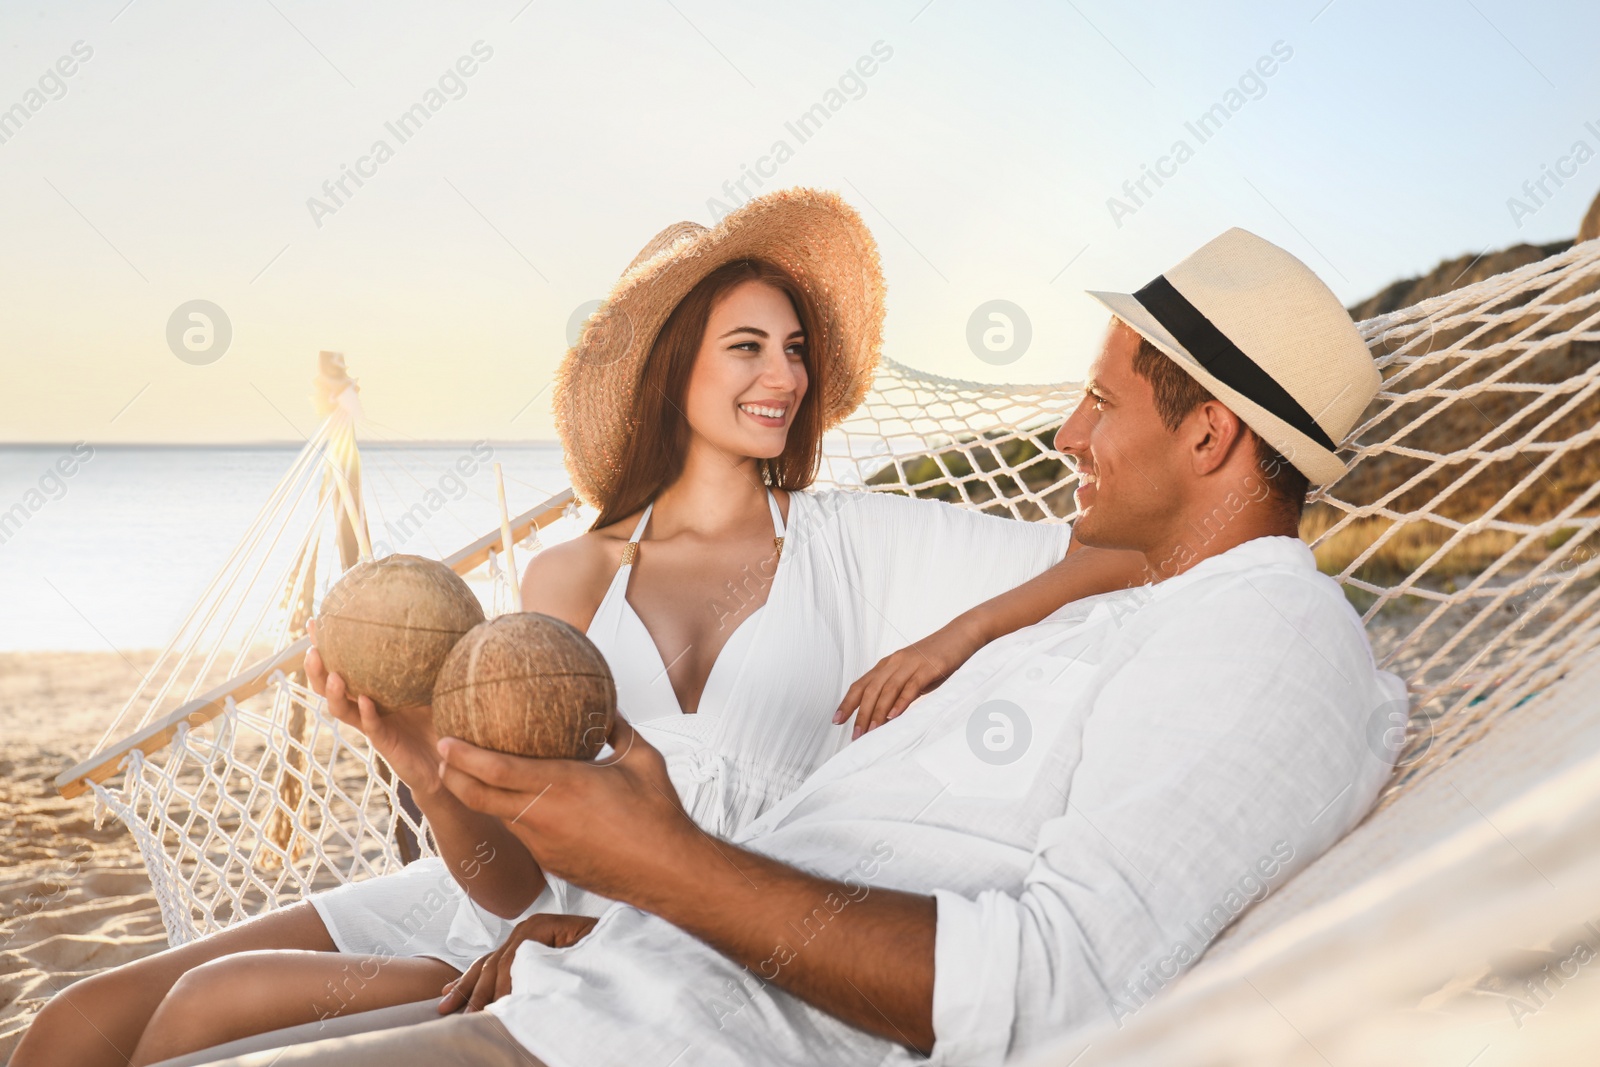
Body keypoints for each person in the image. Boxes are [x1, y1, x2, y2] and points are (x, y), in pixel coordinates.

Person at [167, 226, 1408, 1067]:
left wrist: (666, 871)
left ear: (1212, 444)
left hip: (666, 1040)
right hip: (617, 983)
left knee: (197, 1019)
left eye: (1103, 400)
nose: (1064, 432)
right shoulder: (1122, 613)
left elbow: (1057, 979)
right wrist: (638, 912)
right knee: (156, 1019)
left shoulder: (1274, 632)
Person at [12, 189, 1144, 1067]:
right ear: (673, 363)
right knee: (74, 1021)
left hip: (683, 921)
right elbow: (507, 879)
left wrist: (951, 638)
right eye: (746, 344)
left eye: (793, 347)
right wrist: (412, 748)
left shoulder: (851, 540)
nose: (783, 374)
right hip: (515, 903)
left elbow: (1120, 553)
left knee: (208, 1008)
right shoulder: (569, 570)